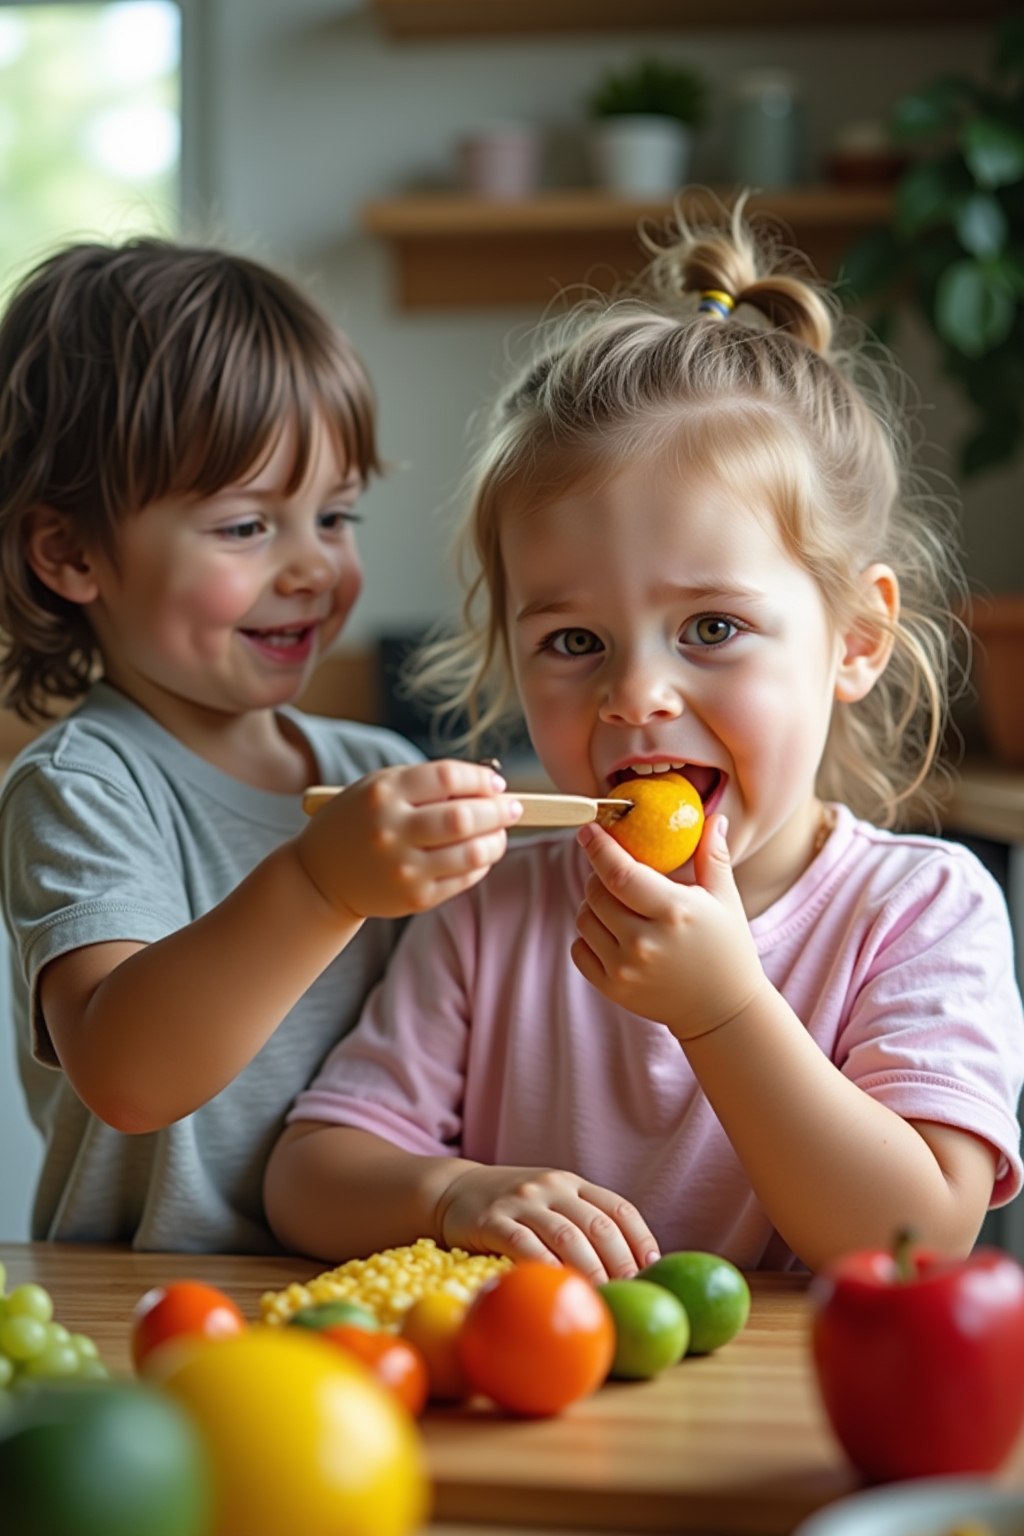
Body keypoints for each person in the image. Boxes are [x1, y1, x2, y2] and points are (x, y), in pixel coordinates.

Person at [265, 201, 1024, 1279]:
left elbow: (911, 1241)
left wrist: (722, 1011)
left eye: (711, 628)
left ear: (855, 639)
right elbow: (306, 1178)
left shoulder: (918, 911)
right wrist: (451, 1193)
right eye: (574, 639)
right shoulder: (488, 915)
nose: (633, 695)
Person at [0, 239, 518, 1251]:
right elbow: (127, 1075)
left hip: (365, 1300)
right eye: (245, 528)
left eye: (333, 514)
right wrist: (320, 888)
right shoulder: (81, 784)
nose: (311, 568)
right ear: (70, 553)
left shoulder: (372, 772)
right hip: (146, 1320)